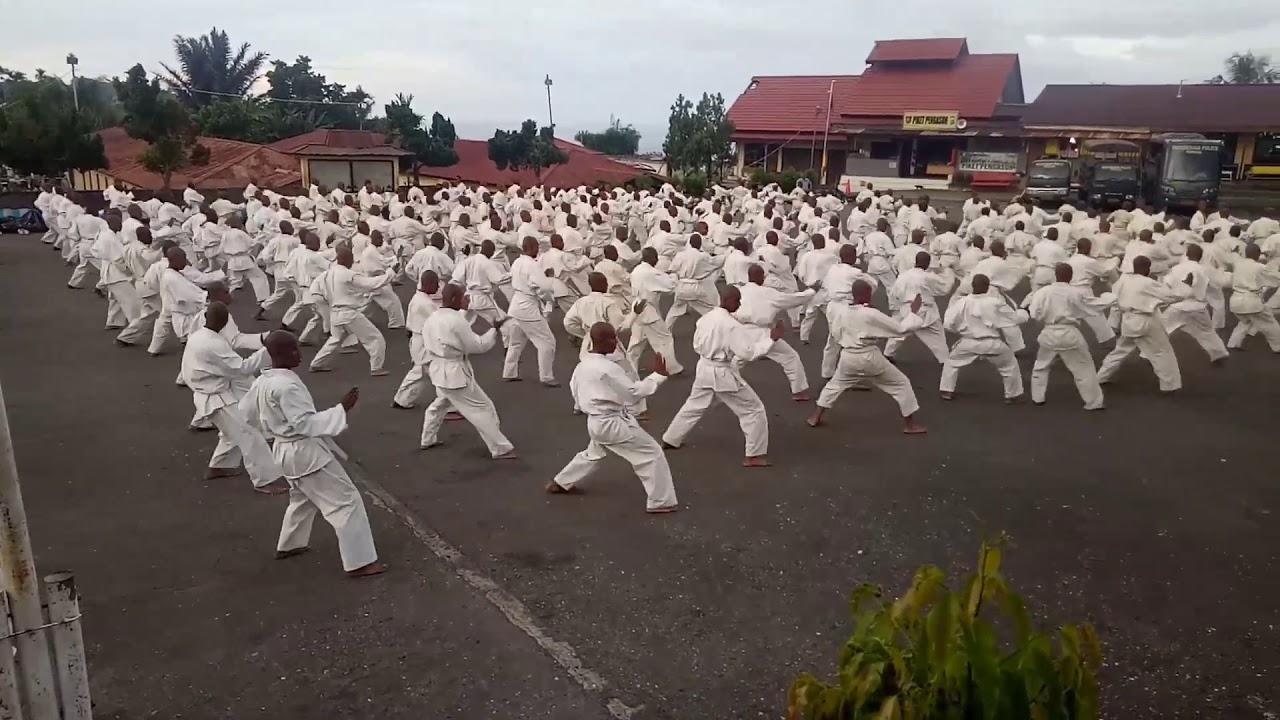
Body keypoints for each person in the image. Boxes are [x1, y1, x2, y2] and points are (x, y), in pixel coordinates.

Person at [240, 331, 384, 578]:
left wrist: (272, 428)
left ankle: (290, 544)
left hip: (284, 450)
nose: (299, 353)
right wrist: (341, 409)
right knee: (346, 502)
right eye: (293, 349)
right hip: (303, 452)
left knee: (303, 497)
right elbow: (304, 424)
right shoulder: (287, 386)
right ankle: (360, 562)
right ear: (279, 354)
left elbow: (245, 413)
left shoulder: (263, 381)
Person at [547, 323, 678, 513]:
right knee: (652, 454)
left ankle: (561, 482)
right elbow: (633, 393)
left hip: (595, 421)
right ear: (598, 340)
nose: (615, 342)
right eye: (611, 338)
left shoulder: (582, 366)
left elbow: (575, 391)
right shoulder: (608, 368)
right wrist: (657, 376)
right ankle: (661, 502)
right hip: (612, 423)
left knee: (594, 452)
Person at [661, 286, 781, 467]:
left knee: (694, 404)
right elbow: (748, 353)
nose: (739, 304)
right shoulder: (731, 326)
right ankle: (754, 455)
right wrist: (771, 339)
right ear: (727, 300)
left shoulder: (705, 318)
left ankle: (671, 438)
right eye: (737, 300)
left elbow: (696, 344)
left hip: (704, 366)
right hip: (721, 372)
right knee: (753, 410)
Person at [181, 302, 284, 487]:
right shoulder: (212, 344)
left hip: (213, 391)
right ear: (225, 322)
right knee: (250, 435)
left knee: (234, 430)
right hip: (215, 398)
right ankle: (265, 481)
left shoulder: (199, 335)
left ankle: (221, 465)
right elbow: (241, 369)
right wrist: (267, 349)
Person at [808, 281, 928, 433]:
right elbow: (900, 329)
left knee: (834, 385)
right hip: (868, 356)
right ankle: (909, 425)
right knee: (901, 384)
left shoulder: (841, 312)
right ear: (866, 294)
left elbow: (836, 334)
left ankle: (815, 417)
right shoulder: (870, 314)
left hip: (847, 356)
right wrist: (913, 313)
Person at [419, 285, 518, 459]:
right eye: (464, 297)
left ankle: (427, 439)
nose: (468, 300)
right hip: (454, 373)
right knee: (482, 408)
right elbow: (478, 346)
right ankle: (501, 448)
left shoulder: (432, 317)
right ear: (454, 299)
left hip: (438, 370)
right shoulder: (456, 321)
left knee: (440, 404)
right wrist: (494, 329)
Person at [1096, 256, 1194, 393]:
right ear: (1147, 268)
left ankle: (1101, 377)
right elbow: (1172, 296)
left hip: (1128, 321)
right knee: (1162, 352)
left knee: (1120, 351)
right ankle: (1169, 386)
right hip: (1145, 321)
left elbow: (1115, 295)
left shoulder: (1123, 280)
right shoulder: (1147, 283)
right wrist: (1186, 285)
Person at [1024, 264, 1107, 410]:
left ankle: (1038, 397)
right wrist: (1110, 298)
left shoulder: (1043, 292)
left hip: (1049, 333)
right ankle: (1094, 402)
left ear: (1055, 275)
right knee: (1084, 368)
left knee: (1041, 366)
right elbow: (1091, 307)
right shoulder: (1074, 292)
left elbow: (1034, 314)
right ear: (1071, 276)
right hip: (1069, 333)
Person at [939, 274, 1028, 403]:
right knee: (1010, 365)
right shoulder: (995, 302)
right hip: (992, 343)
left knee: (951, 363)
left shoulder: (961, 303)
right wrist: (1024, 313)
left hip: (968, 342)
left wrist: (960, 330)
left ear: (972, 286)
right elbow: (1014, 319)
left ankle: (946, 390)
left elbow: (948, 324)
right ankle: (1012, 395)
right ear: (987, 287)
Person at [309, 245, 395, 376]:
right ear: (346, 259)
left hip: (334, 313)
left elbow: (315, 290)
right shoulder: (347, 274)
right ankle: (376, 368)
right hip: (349, 313)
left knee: (334, 340)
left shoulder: (327, 274)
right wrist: (390, 272)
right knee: (375, 338)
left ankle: (316, 363)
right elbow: (371, 284)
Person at [737, 264, 814, 400]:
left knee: (735, 360)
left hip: (741, 332)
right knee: (790, 357)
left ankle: (722, 384)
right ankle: (799, 391)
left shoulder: (740, 291)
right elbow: (793, 300)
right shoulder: (768, 293)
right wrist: (811, 291)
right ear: (761, 277)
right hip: (763, 333)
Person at [503, 236, 559, 385]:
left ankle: (509, 372)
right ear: (533, 247)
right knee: (547, 342)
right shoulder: (532, 266)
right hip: (528, 307)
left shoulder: (517, 262)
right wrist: (548, 298)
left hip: (515, 305)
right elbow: (544, 287)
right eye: (537, 248)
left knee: (516, 342)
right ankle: (546, 377)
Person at [1162, 244, 1230, 364]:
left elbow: (1166, 283)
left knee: (1161, 329)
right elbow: (1218, 283)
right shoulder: (1204, 269)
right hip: (1197, 306)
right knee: (1207, 332)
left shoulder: (1176, 268)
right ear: (1200, 257)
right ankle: (1219, 353)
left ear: (1187, 255)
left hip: (1177, 305)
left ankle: (1147, 354)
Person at [884, 250, 954, 364]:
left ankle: (888, 353)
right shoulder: (927, 277)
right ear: (927, 263)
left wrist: (895, 307)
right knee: (937, 336)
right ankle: (945, 360)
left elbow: (894, 293)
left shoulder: (903, 276)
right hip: (925, 311)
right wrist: (949, 272)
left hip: (906, 308)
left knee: (900, 331)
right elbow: (944, 288)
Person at [627, 247, 684, 376]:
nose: (657, 260)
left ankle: (629, 368)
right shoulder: (650, 272)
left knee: (637, 341)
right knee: (664, 338)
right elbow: (670, 285)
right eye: (656, 258)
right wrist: (674, 275)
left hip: (637, 307)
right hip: (647, 309)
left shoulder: (637, 270)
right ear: (652, 258)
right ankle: (670, 367)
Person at [1225, 244, 1280, 352]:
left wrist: (1234, 252)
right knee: (1269, 323)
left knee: (1246, 321)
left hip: (1235, 301)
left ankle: (1234, 343)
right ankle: (1278, 346)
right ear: (1258, 254)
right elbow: (1275, 276)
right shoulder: (1259, 267)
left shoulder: (1238, 264)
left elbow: (1234, 256)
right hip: (1251, 301)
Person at [451, 239, 509, 340]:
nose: (492, 254)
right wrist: (512, 275)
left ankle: (452, 336)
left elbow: (456, 278)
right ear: (490, 250)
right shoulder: (487, 263)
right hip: (482, 299)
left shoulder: (468, 261)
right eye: (492, 251)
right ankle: (507, 344)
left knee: (462, 320)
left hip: (468, 297)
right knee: (502, 320)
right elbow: (498, 279)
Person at [665, 234, 723, 329]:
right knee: (711, 308)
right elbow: (716, 262)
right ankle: (716, 327)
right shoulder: (702, 256)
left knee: (674, 311)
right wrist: (727, 255)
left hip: (681, 287)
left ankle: (667, 330)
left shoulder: (680, 255)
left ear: (690, 243)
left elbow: (672, 270)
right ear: (700, 244)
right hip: (695, 287)